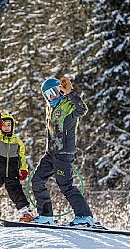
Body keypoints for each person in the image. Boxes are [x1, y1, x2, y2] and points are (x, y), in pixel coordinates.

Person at [31, 76, 94, 226]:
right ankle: (46, 216)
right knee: (37, 180)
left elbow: (82, 109)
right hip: (51, 153)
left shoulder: (68, 104)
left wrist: (71, 92)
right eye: (47, 94)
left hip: (64, 152)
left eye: (53, 91)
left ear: (60, 90)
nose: (51, 96)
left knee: (65, 186)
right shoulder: (50, 108)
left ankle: (85, 217)